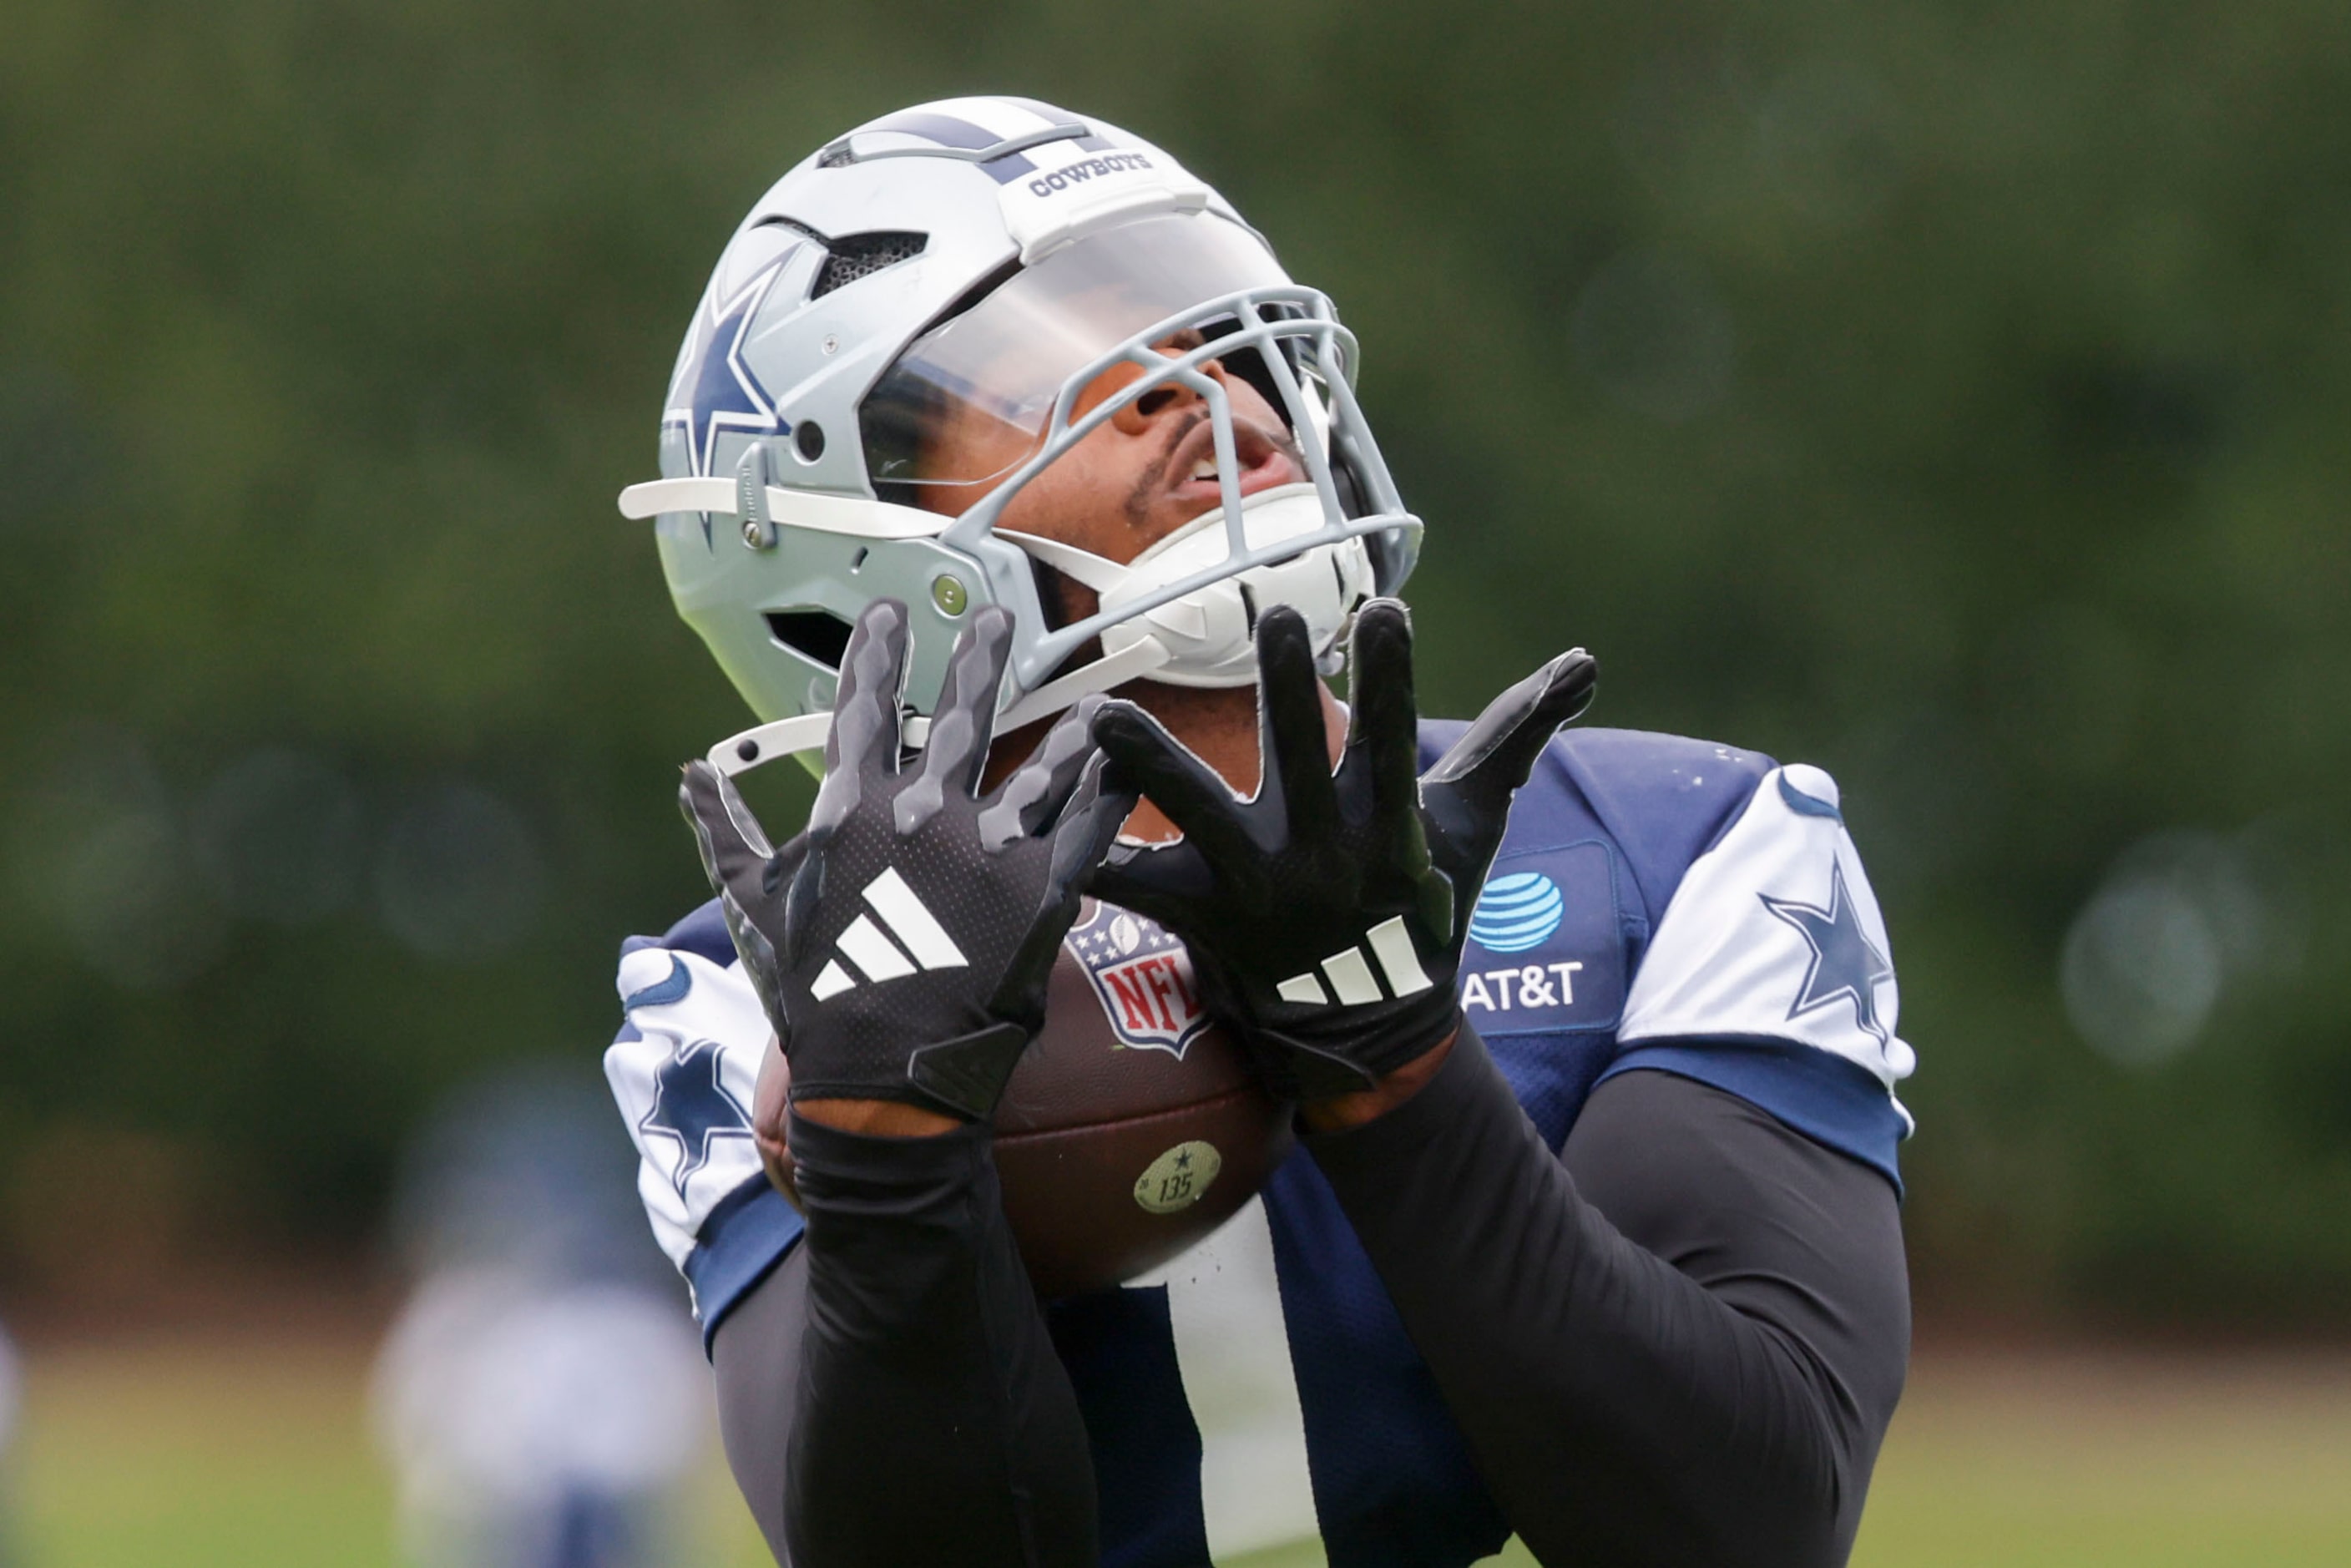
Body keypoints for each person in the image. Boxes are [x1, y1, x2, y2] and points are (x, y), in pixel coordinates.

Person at [604, 97, 1914, 1568]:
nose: (1202, 390)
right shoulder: (745, 998)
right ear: (843, 534)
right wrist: (890, 1163)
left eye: (1214, 336)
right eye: (1054, 356)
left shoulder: (1674, 849)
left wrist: (1397, 1062)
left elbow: (1748, 1527)